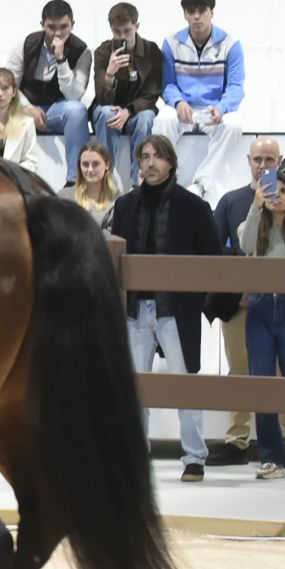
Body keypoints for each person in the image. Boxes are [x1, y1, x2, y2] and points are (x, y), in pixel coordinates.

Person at [110, 134, 222, 482]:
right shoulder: (125, 205)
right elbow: (116, 257)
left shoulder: (194, 207)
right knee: (134, 387)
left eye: (157, 156)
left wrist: (196, 303)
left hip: (177, 310)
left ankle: (194, 457)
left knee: (186, 383)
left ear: (171, 162)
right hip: (135, 309)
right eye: (144, 156)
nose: (150, 163)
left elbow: (213, 261)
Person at [213, 137, 285, 466]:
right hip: (239, 303)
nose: (263, 166)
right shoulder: (231, 201)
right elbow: (217, 250)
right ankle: (237, 440)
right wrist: (236, 288)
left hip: (279, 302)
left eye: (269, 159)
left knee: (284, 373)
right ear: (248, 160)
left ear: (280, 160)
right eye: (258, 159)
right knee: (239, 373)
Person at [236, 171, 285, 479]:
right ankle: (271, 457)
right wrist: (255, 204)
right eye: (270, 191)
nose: (277, 196)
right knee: (260, 381)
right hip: (259, 308)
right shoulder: (255, 224)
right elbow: (245, 243)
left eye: (283, 192)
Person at [161, 0, 249, 201]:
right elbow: (167, 85)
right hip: (184, 110)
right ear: (185, 15)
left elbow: (236, 87)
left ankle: (202, 183)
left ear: (212, 12)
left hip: (214, 109)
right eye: (191, 11)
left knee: (233, 124)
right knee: (163, 119)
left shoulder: (231, 43)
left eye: (202, 11)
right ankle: (166, 180)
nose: (197, 16)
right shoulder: (171, 43)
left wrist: (221, 107)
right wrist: (178, 101)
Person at [3, 0, 92, 184]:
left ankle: (75, 181)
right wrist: (26, 108)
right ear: (42, 25)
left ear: (72, 25)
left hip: (57, 109)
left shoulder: (82, 51)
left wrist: (61, 61)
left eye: (64, 27)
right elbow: (7, 85)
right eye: (52, 27)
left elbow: (74, 96)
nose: (58, 33)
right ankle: (8, 182)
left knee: (77, 110)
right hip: (25, 108)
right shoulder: (25, 45)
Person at [89, 2, 162, 191]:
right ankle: (106, 182)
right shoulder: (103, 52)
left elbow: (153, 92)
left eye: (127, 31)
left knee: (146, 118)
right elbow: (102, 98)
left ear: (137, 27)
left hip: (136, 112)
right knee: (106, 113)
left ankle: (140, 182)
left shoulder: (151, 51)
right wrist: (110, 74)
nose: (122, 37)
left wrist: (129, 111)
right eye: (116, 32)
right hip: (111, 109)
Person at [73, 142, 121, 229]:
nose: (90, 169)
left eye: (95, 164)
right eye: (85, 164)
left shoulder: (118, 202)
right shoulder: (65, 196)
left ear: (107, 165)